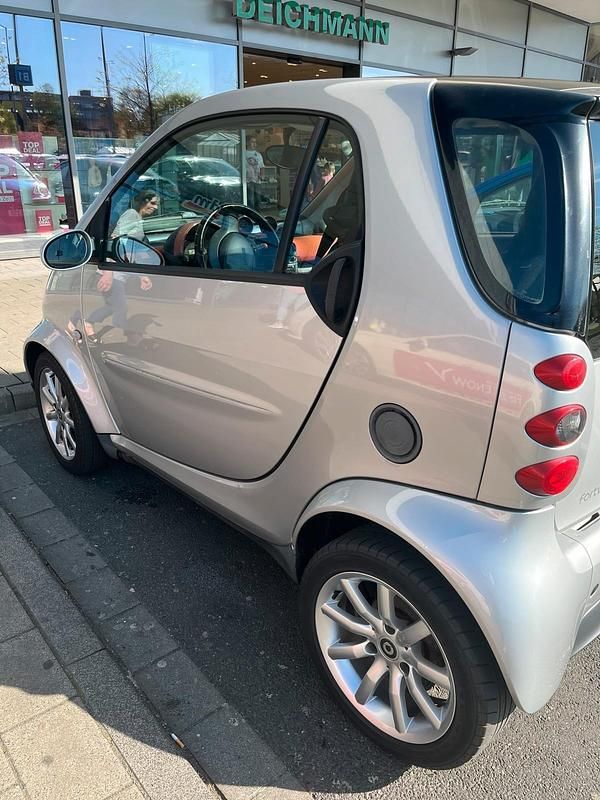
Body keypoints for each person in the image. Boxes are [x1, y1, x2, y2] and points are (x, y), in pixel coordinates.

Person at [84, 190, 158, 339]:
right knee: (121, 306)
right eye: (152, 203)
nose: (155, 207)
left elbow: (131, 251)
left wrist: (141, 275)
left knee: (112, 306)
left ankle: (86, 320)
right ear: (143, 201)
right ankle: (125, 333)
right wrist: (108, 272)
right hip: (114, 271)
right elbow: (114, 242)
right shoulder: (131, 215)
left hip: (122, 271)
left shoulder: (138, 218)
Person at [245, 135, 264, 209]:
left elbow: (262, 167)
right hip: (248, 180)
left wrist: (262, 176)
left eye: (255, 142)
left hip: (257, 180)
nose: (254, 144)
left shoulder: (258, 155)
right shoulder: (244, 153)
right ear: (247, 143)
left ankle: (258, 215)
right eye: (252, 142)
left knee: (258, 199)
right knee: (250, 199)